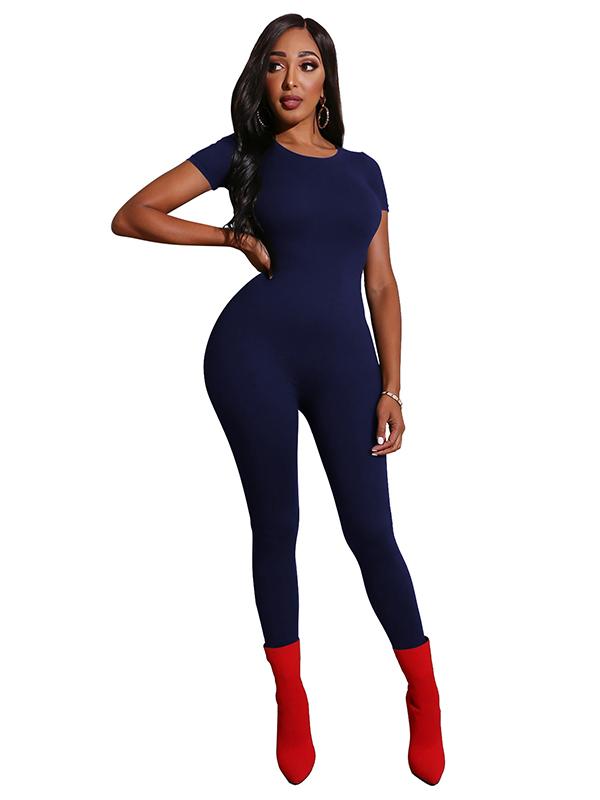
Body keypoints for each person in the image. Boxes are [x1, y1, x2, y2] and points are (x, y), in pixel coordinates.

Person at [111, 13, 445, 788]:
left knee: (372, 530)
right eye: (275, 64)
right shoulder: (243, 153)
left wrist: (392, 386)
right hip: (251, 355)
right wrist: (232, 238)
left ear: (327, 80)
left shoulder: (365, 170)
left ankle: (424, 693)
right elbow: (133, 215)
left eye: (307, 64)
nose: (290, 78)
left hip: (347, 366)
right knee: (278, 524)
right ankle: (290, 696)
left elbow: (382, 284)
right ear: (261, 77)